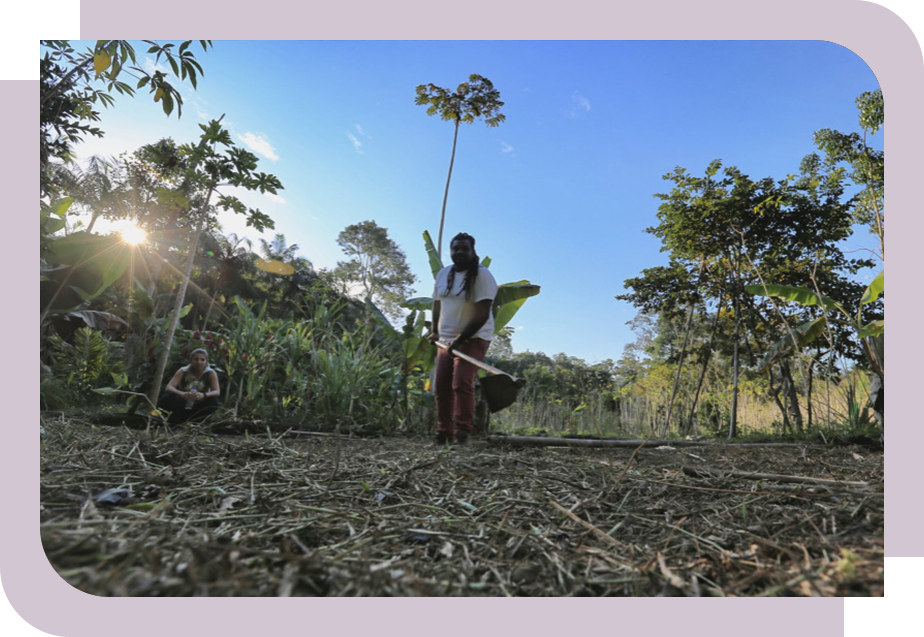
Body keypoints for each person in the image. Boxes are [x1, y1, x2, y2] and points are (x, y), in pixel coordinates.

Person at [427, 233, 498, 446]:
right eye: (455, 248)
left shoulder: (482, 276)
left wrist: (461, 339)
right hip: (446, 339)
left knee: (461, 383)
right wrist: (434, 330)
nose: (459, 252)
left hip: (474, 337)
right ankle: (443, 432)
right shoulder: (443, 274)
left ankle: (462, 433)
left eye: (464, 248)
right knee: (441, 386)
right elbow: (437, 303)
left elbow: (483, 313)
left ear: (472, 251)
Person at [158, 348, 221, 425]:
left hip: (199, 405)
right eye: (196, 359)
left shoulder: (210, 372)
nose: (199, 362)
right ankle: (175, 423)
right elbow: (169, 387)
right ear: (191, 360)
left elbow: (216, 391)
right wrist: (181, 393)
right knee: (167, 398)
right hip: (183, 403)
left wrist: (203, 395)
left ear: (206, 361)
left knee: (213, 401)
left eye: (202, 360)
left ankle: (197, 423)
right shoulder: (183, 371)